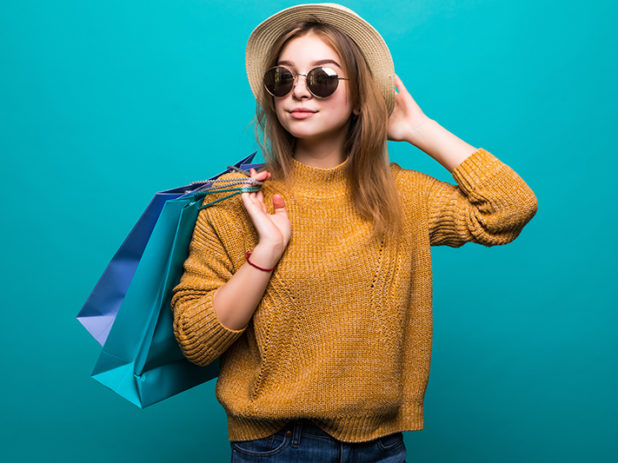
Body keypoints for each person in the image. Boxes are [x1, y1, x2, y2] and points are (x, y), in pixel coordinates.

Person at [171, 3, 538, 462]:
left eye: (321, 79)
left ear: (361, 95)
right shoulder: (239, 197)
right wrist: (268, 250)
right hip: (275, 445)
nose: (299, 93)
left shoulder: (404, 195)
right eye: (282, 79)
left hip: (381, 446)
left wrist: (420, 129)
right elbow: (196, 340)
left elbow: (510, 208)